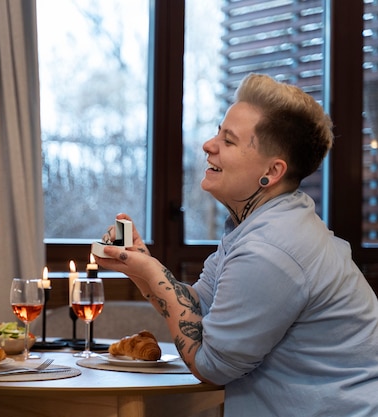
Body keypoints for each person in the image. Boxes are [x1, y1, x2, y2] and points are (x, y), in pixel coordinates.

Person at [95, 73, 378, 416]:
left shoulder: (272, 249)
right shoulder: (260, 224)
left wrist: (152, 273)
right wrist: (139, 267)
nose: (208, 145)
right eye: (218, 132)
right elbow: (201, 308)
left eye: (228, 141)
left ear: (272, 172)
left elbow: (212, 364)